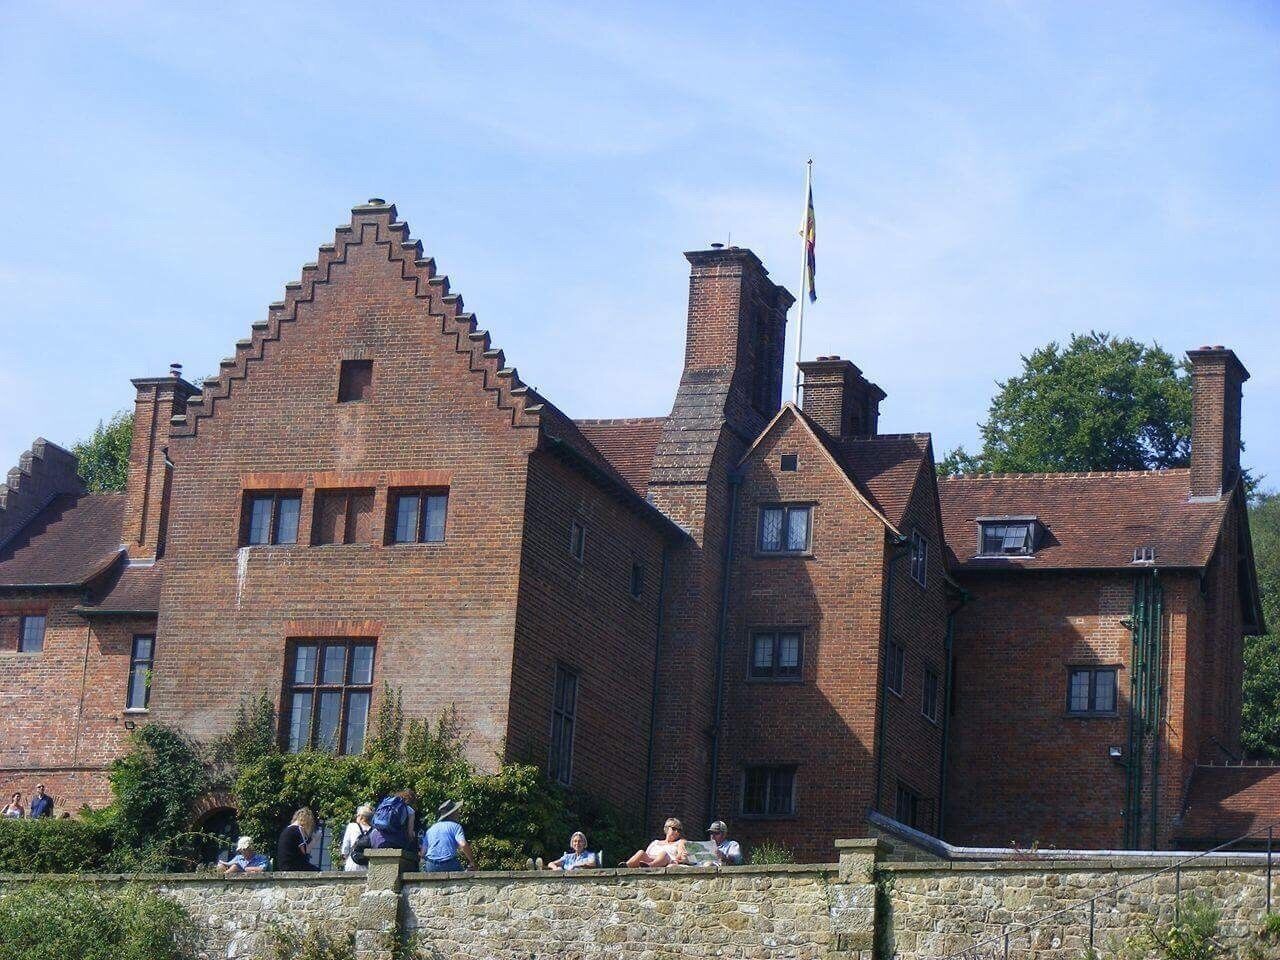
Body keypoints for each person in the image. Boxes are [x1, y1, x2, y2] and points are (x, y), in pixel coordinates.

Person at [421, 799, 476, 873]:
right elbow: (463, 844)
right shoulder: (456, 826)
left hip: (431, 865)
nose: (458, 813)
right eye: (457, 811)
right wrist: (471, 861)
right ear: (452, 814)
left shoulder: (430, 829)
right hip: (449, 864)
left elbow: (423, 852)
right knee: (465, 876)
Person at [370, 789, 417, 857]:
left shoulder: (386, 805)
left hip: (375, 838)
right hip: (394, 841)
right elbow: (410, 834)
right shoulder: (410, 810)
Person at [276, 807, 320, 871]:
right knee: (318, 872)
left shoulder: (287, 829)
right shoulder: (298, 829)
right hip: (293, 866)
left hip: (284, 865)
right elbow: (305, 851)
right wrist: (315, 839)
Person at [340, 804, 374, 872]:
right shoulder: (374, 830)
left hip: (353, 862)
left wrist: (344, 856)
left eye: (357, 815)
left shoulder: (352, 826)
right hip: (367, 864)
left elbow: (346, 847)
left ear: (361, 817)